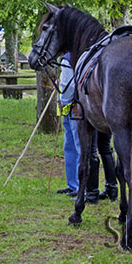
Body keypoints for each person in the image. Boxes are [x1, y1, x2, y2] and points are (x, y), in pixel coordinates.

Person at [56, 53, 79, 196]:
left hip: (73, 106)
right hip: (69, 106)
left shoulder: (68, 58)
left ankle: (79, 185)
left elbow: (68, 86)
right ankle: (72, 184)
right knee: (69, 145)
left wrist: (63, 101)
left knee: (77, 146)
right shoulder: (66, 58)